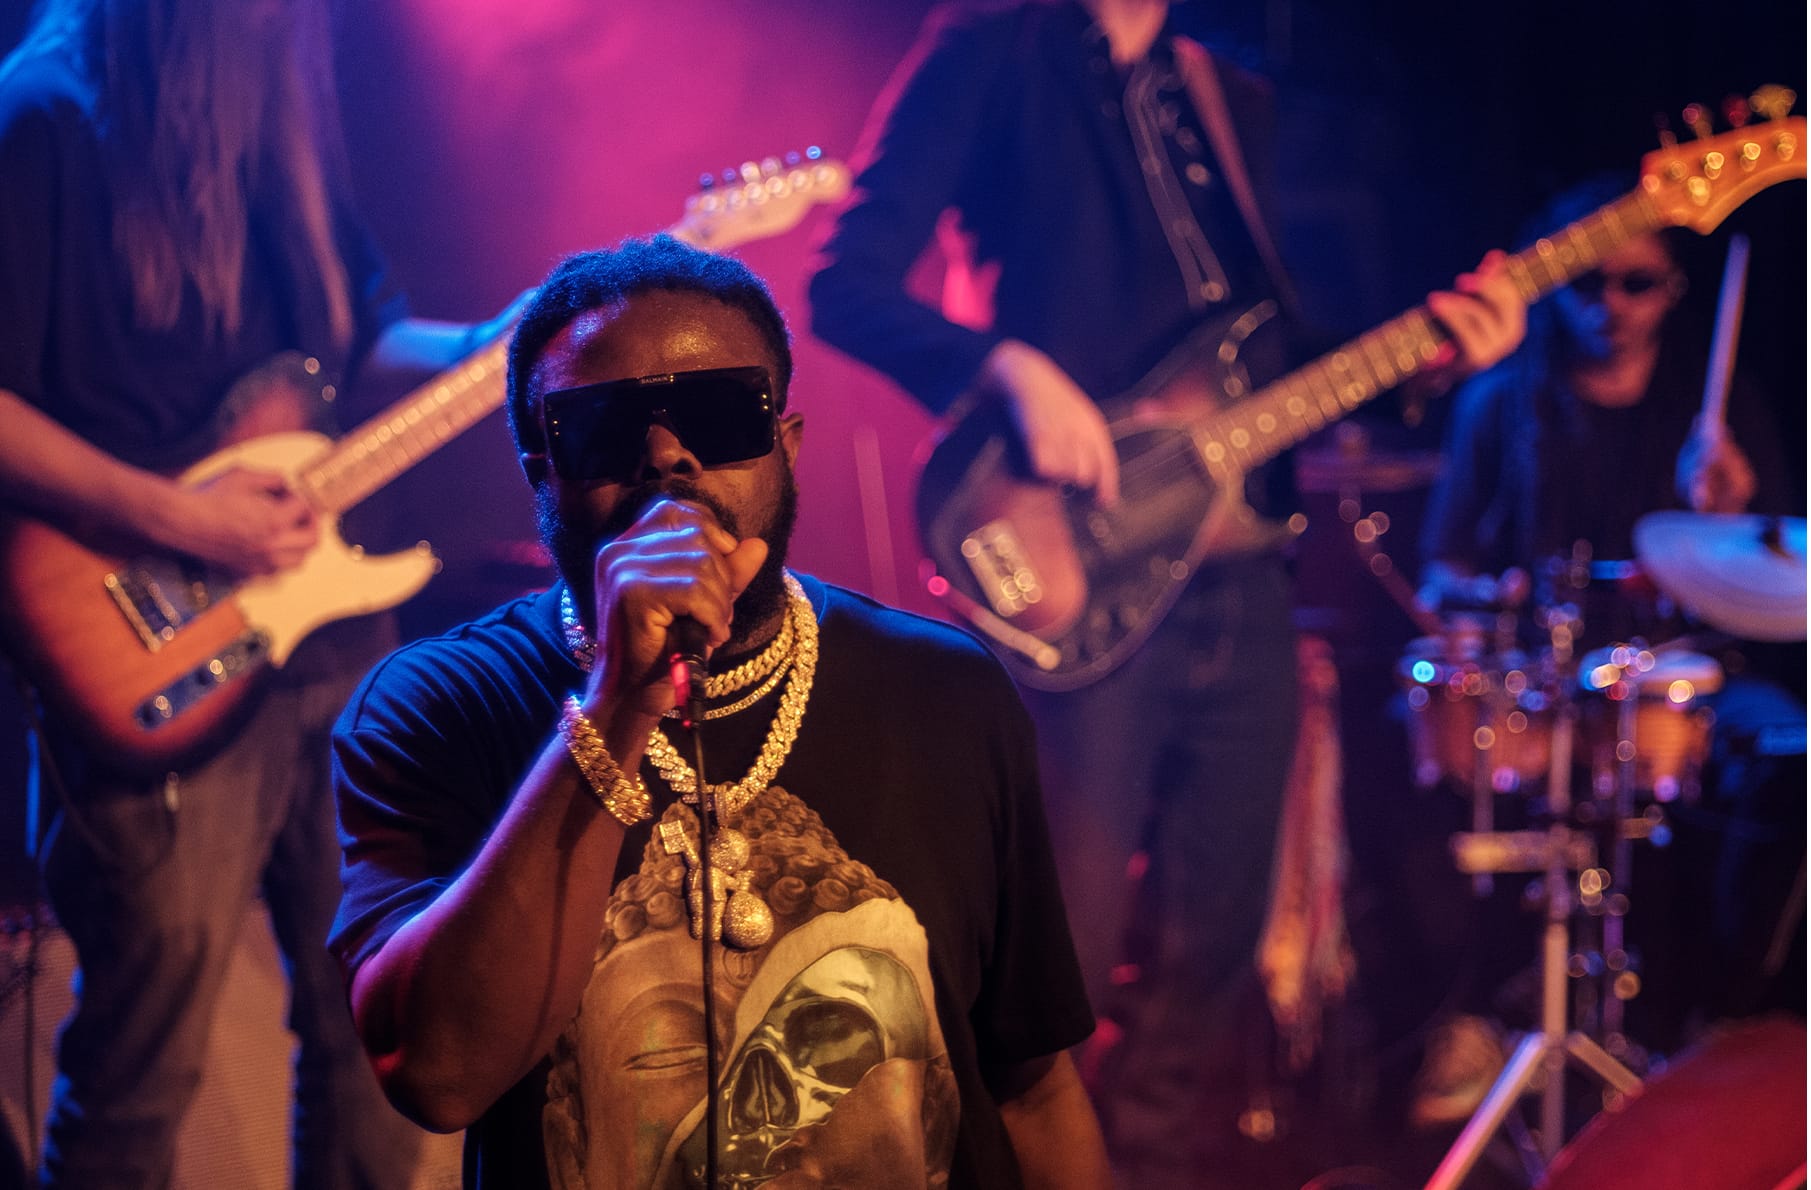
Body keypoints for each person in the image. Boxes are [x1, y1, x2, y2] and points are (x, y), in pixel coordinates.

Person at [806, 0, 1524, 1180]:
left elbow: (1281, 354)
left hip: (1240, 578)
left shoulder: (1228, 90)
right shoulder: (991, 49)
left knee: (1213, 953)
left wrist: (1429, 362)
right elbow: (844, 283)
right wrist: (1002, 367)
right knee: (1056, 962)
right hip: (1068, 559)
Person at [327, 234, 1112, 1189]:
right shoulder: (436, 706)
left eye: (717, 413)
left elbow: (1032, 1090)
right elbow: (439, 1076)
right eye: (604, 428)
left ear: (787, 445)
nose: (667, 455)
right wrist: (620, 701)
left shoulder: (946, 691)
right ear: (542, 470)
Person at [0, 1, 524, 1184]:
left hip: (328, 637)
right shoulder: (41, 121)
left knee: (377, 1036)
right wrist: (178, 517)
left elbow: (363, 337)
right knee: (137, 1084)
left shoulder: (273, 117)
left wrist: (506, 341)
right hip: (145, 648)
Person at [1416, 176, 1802, 1084]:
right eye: (1588, 282)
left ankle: (1725, 1017)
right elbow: (1442, 569)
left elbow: (1781, 569)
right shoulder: (1500, 402)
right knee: (1421, 763)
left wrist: (1732, 512)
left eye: (1638, 284)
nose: (1611, 306)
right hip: (1540, 679)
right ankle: (1470, 1009)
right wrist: (1484, 602)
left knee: (1793, 754)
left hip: (1682, 676)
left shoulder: (1716, 407)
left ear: (1672, 291)